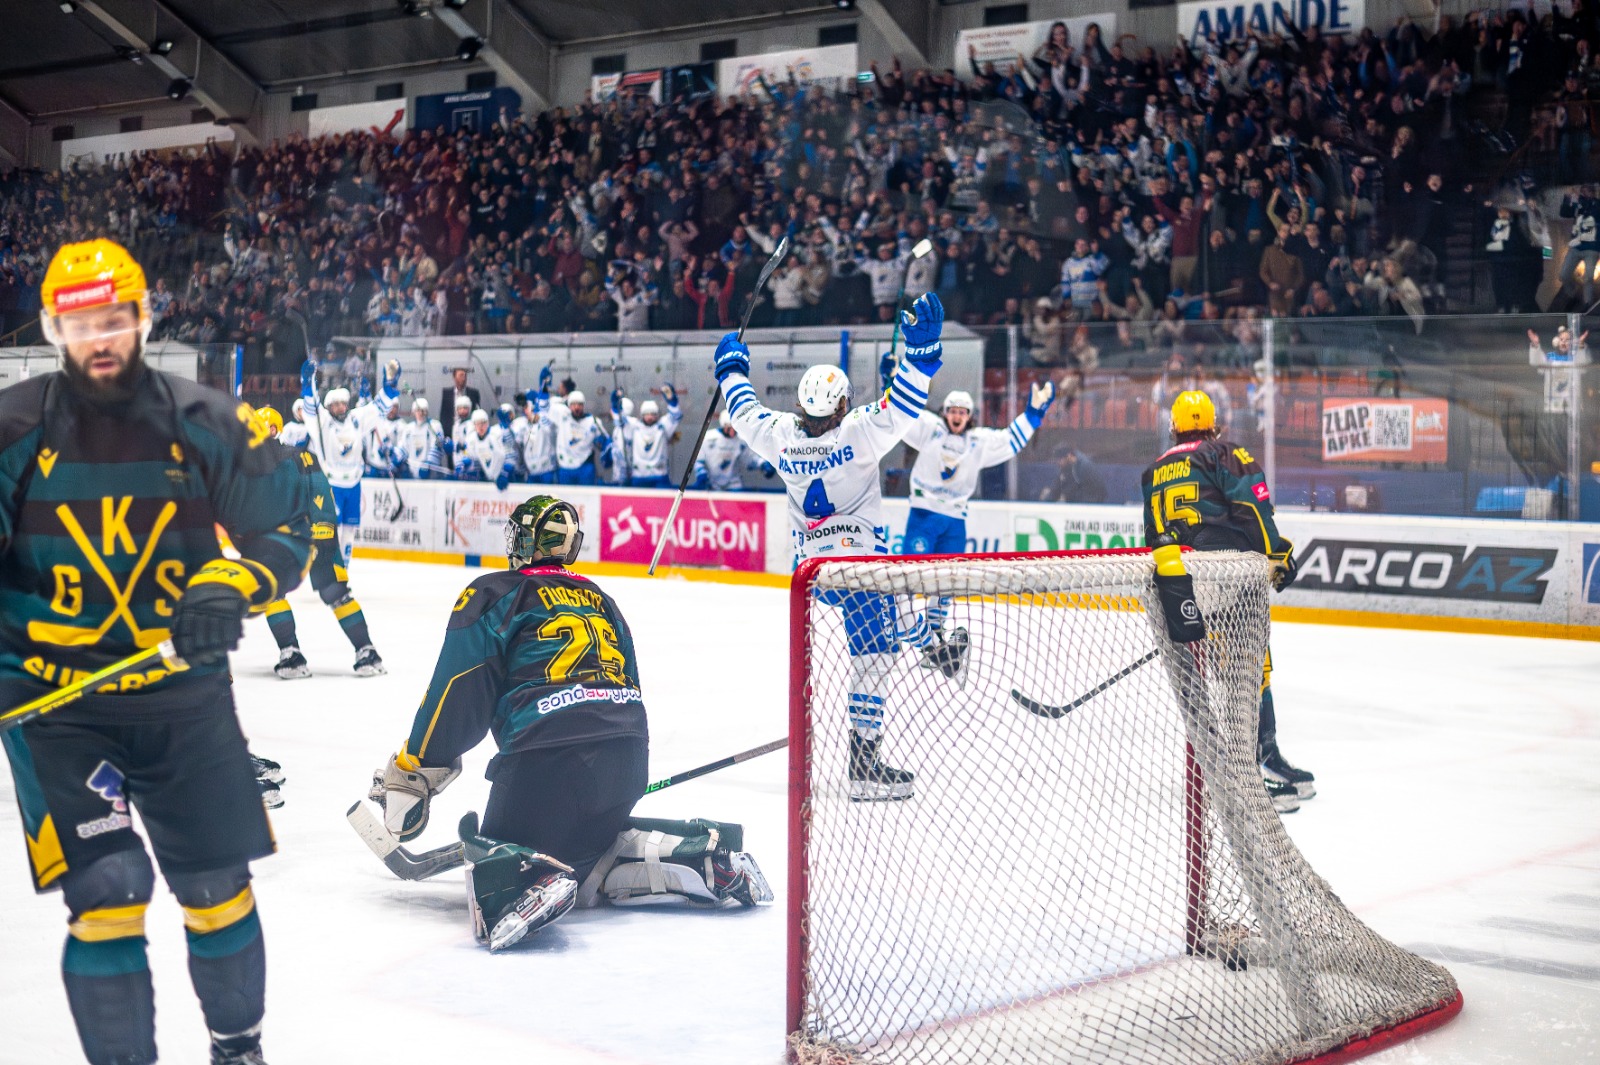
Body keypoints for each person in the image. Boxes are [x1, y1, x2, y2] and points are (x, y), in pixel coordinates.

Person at [0, 239, 313, 1065]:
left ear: (144, 316)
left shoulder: (207, 419)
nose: (98, 337)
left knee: (217, 888)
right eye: (79, 323)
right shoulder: (11, 429)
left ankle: (236, 1048)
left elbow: (287, 529)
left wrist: (234, 582)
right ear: (51, 327)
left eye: (113, 319)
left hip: (185, 695)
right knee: (107, 891)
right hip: (56, 706)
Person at [366, 496, 771, 952]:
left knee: (494, 859)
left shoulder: (495, 593)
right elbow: (631, 688)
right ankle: (702, 856)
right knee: (599, 854)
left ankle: (530, 879)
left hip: (543, 769)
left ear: (521, 540)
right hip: (627, 766)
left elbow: (458, 693)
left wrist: (416, 766)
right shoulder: (605, 601)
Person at [713, 292, 949, 801]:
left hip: (816, 573)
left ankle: (929, 644)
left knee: (889, 631)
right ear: (842, 404)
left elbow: (743, 408)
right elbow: (905, 402)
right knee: (875, 657)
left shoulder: (778, 434)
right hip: (863, 567)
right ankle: (864, 766)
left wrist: (730, 365)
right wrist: (923, 351)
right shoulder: (861, 430)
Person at [1138, 391, 1313, 813]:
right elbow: (1253, 507)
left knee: (1242, 669)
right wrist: (1277, 553)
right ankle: (1252, 774)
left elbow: (1151, 538)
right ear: (1214, 423)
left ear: (1175, 425)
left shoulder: (1154, 470)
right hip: (1229, 577)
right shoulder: (1223, 453)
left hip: (1185, 585)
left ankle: (1263, 759)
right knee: (1249, 671)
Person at [898, 383, 1056, 666]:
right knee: (907, 579)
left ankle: (934, 640)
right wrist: (891, 383)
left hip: (955, 521)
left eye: (962, 412)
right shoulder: (929, 429)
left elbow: (1011, 440)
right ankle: (906, 632)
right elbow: (900, 415)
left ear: (969, 415)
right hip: (923, 516)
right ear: (945, 413)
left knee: (946, 583)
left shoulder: (979, 443)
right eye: (952, 411)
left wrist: (1033, 413)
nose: (957, 416)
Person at [255, 406, 385, 680]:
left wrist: (324, 528)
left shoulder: (300, 457)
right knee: (273, 592)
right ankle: (290, 652)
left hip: (314, 534)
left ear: (274, 429)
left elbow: (319, 489)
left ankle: (367, 650)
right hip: (283, 541)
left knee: (335, 592)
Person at [301, 362, 398, 567]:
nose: (341, 407)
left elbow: (378, 408)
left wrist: (389, 386)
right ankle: (328, 564)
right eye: (335, 405)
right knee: (330, 528)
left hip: (354, 483)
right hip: (332, 484)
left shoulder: (355, 419)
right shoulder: (323, 422)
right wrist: (307, 382)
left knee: (350, 529)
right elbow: (311, 408)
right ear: (329, 407)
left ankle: (343, 566)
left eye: (343, 403)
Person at [614, 384, 682, 489]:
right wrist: (615, 402)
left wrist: (671, 399)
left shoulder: (663, 426)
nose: (650, 417)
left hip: (660, 475)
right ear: (642, 415)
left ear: (657, 415)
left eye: (653, 414)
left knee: (663, 504)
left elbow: (676, 415)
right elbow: (618, 419)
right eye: (647, 414)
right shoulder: (634, 426)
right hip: (638, 476)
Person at [693, 411, 767, 491]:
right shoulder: (709, 438)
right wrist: (701, 473)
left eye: (734, 428)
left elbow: (749, 460)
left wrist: (762, 464)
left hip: (734, 484)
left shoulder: (741, 440)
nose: (732, 431)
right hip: (712, 484)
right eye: (729, 427)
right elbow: (698, 460)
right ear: (724, 425)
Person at [549, 390, 608, 486]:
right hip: (565, 467)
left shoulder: (593, 422)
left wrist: (604, 447)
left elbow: (605, 444)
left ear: (583, 405)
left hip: (584, 467)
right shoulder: (562, 417)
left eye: (579, 404)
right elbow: (546, 407)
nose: (576, 407)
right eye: (573, 404)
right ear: (569, 406)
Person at [397, 396, 446, 478]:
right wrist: (399, 460)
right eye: (418, 410)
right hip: (411, 472)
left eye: (423, 410)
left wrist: (429, 464)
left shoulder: (434, 426)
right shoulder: (408, 428)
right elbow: (403, 447)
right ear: (413, 412)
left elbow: (438, 447)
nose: (421, 413)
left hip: (429, 473)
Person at [439, 366, 482, 440]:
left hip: (470, 431)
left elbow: (477, 414)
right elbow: (444, 415)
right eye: (461, 375)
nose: (464, 378)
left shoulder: (474, 393)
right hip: (452, 432)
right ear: (454, 377)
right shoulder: (447, 393)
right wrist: (446, 434)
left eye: (465, 376)